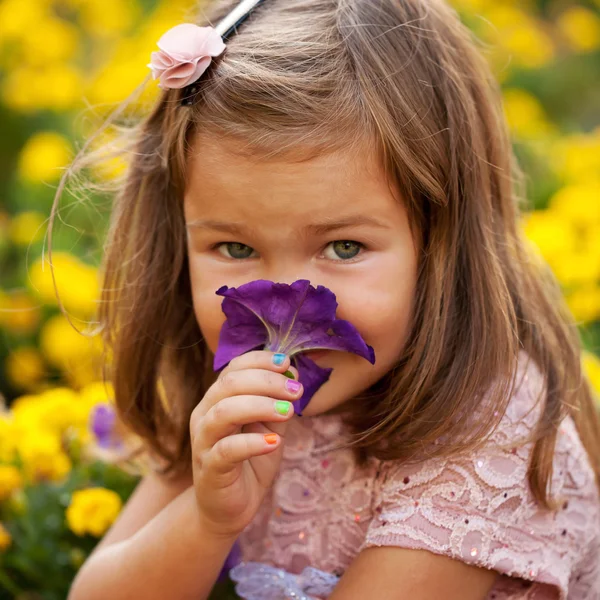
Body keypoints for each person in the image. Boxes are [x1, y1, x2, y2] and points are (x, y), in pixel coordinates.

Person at [59, 0, 600, 598]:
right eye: (235, 248)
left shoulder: (489, 440)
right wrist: (208, 520)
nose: (281, 305)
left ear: (441, 239)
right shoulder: (243, 400)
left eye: (343, 247)